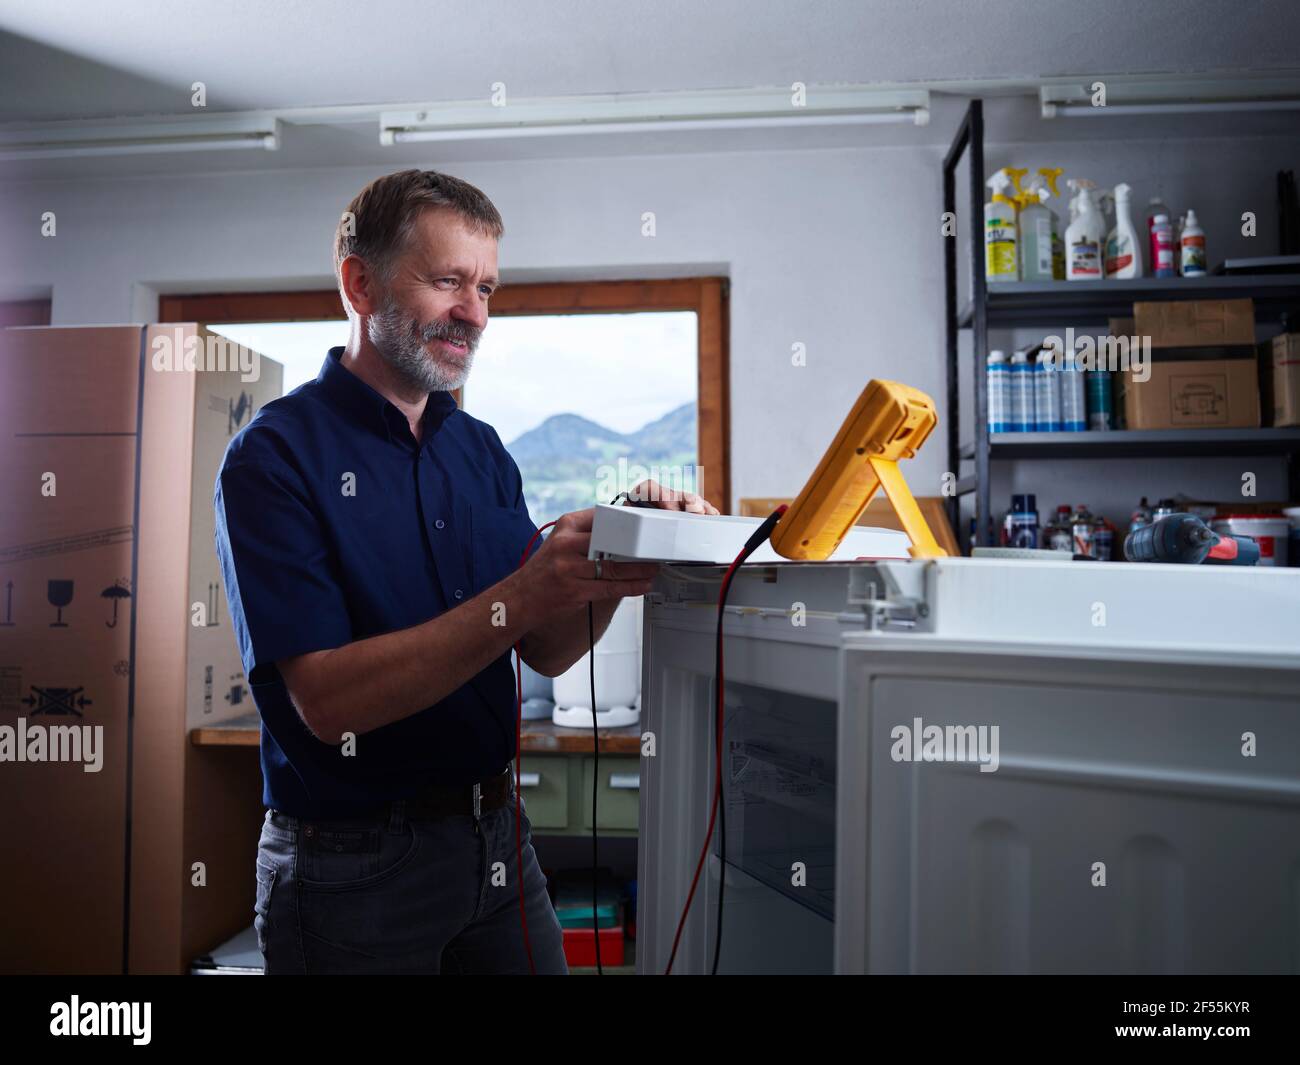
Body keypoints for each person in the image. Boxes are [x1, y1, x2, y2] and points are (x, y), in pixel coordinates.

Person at [214, 169, 718, 974]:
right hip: (350, 870)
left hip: (496, 845)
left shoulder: (480, 451)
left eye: (485, 287)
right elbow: (328, 702)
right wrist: (523, 591)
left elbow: (546, 648)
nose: (475, 312)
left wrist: (616, 567)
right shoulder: (273, 457)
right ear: (360, 282)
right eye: (448, 280)